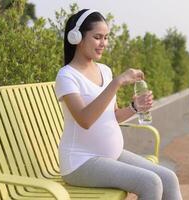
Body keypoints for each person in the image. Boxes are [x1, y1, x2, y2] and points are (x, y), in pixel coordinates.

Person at [54, 9, 182, 200]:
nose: (103, 43)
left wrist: (135, 107)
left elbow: (111, 116)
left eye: (106, 37)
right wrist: (117, 82)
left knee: (169, 178)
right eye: (97, 37)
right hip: (80, 163)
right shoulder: (66, 76)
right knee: (151, 182)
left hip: (110, 156)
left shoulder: (104, 71)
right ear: (77, 37)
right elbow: (85, 120)